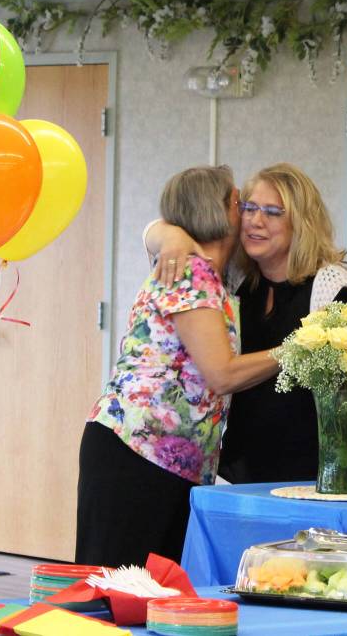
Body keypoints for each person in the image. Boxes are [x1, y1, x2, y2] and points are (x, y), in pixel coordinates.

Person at [146, 163, 347, 484]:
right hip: (235, 472)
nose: (256, 221)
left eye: (273, 212)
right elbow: (152, 233)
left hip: (311, 476)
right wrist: (169, 236)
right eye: (249, 208)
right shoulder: (233, 280)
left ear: (301, 223)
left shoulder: (333, 289)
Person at [76, 166, 280, 568]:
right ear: (218, 212)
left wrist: (164, 231)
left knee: (153, 596)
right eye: (241, 204)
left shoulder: (211, 273)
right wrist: (297, 349)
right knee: (113, 592)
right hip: (137, 451)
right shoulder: (191, 270)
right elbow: (221, 374)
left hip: (169, 461)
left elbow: (155, 231)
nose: (250, 217)